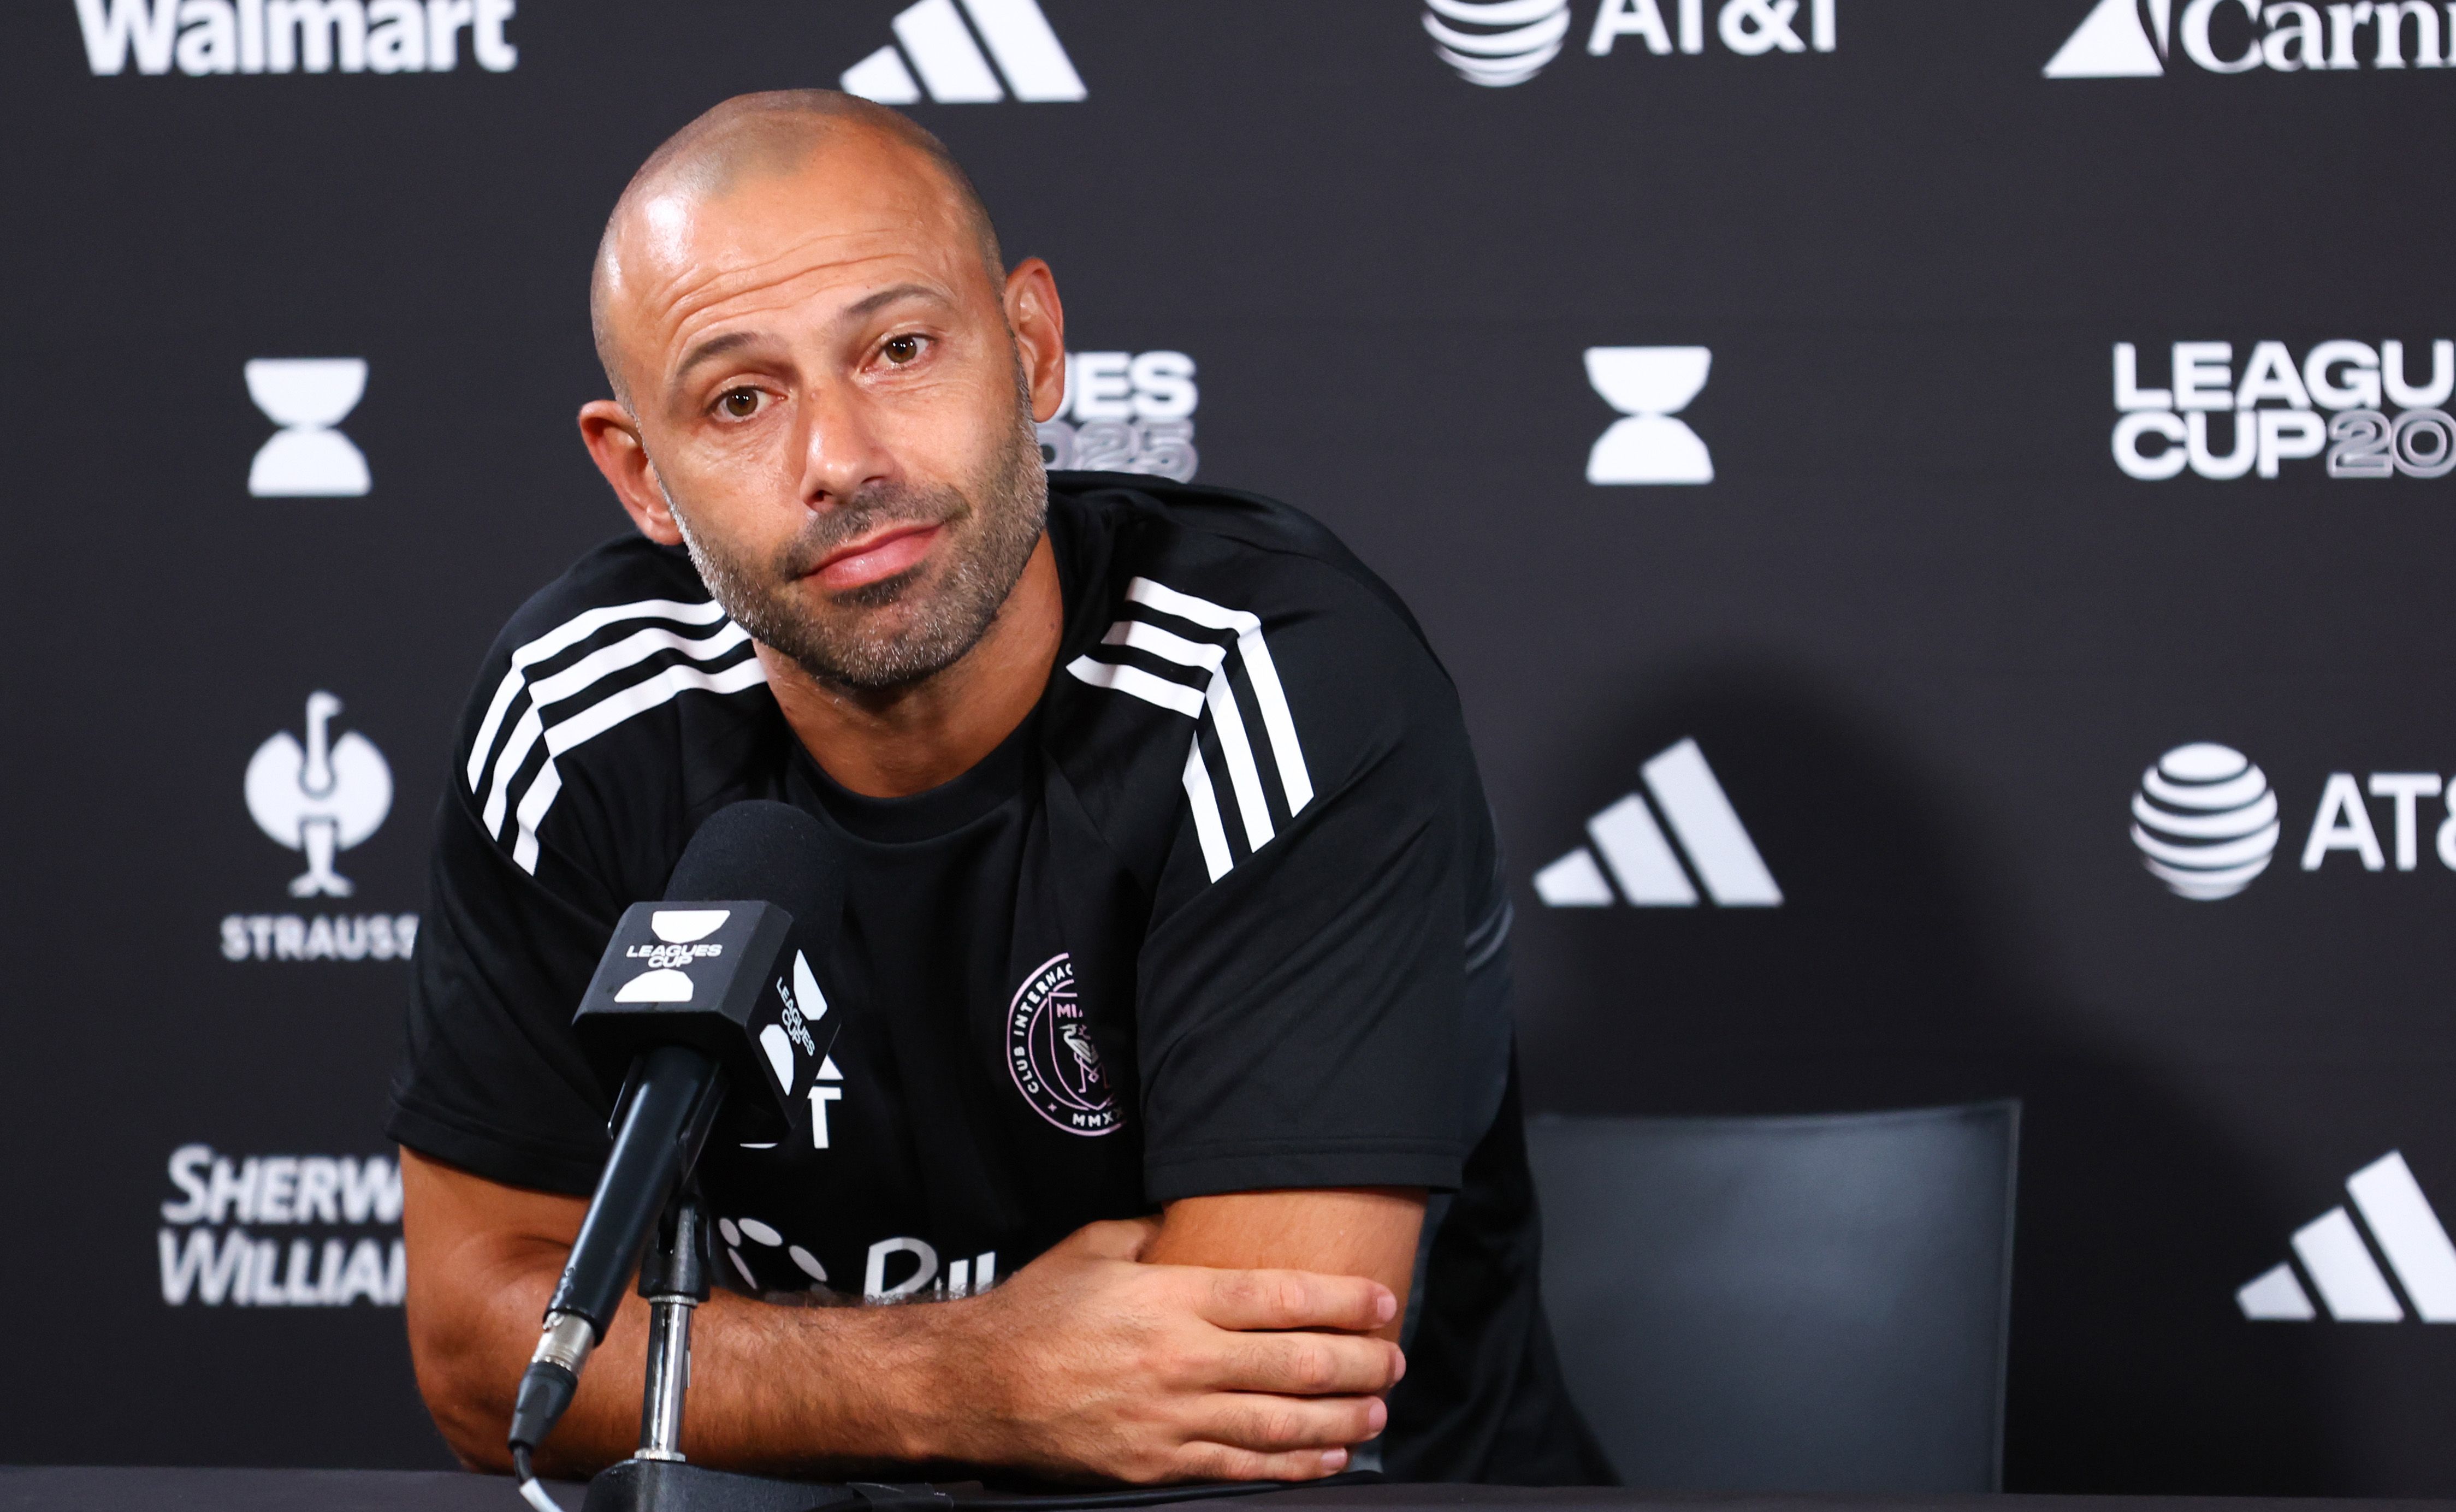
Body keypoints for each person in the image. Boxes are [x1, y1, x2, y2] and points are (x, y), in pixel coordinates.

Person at [388, 91, 1609, 1488]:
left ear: (1031, 347)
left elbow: (1254, 1404)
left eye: (900, 349)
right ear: (641, 475)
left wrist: (725, 1367)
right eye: (740, 398)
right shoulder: (579, 710)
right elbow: (491, 1362)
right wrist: (982, 1372)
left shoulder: (1267, 680)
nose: (840, 459)